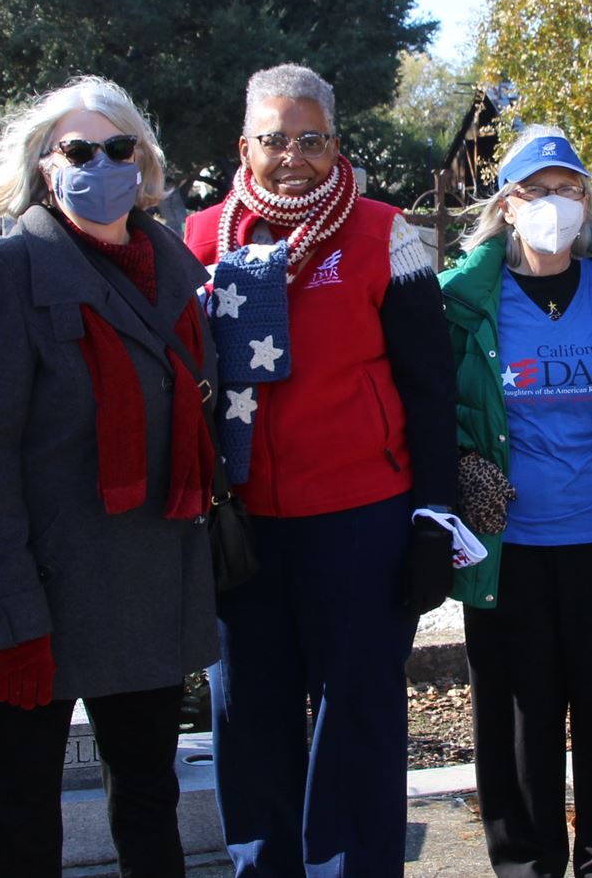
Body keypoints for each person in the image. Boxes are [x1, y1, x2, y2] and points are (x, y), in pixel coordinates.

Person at [184, 63, 458, 877]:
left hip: (361, 520)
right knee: (251, 718)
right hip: (241, 526)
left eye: (311, 139)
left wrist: (432, 518)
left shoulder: (382, 231)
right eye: (274, 139)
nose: (292, 156)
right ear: (245, 145)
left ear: (336, 143)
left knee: (358, 721)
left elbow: (430, 388)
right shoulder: (199, 240)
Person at [0, 75, 218, 878]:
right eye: (79, 149)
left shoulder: (175, 265)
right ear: (43, 165)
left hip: (146, 588)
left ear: (144, 161)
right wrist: (11, 613)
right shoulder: (7, 274)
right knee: (25, 825)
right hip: (39, 600)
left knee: (148, 803)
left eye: (118, 147)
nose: (102, 163)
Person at [439, 126, 592, 878]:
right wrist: (459, 465)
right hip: (509, 548)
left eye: (568, 188)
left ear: (587, 202)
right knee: (519, 718)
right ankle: (526, 865)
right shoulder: (464, 302)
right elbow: (425, 404)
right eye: (535, 190)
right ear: (507, 205)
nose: (553, 203)